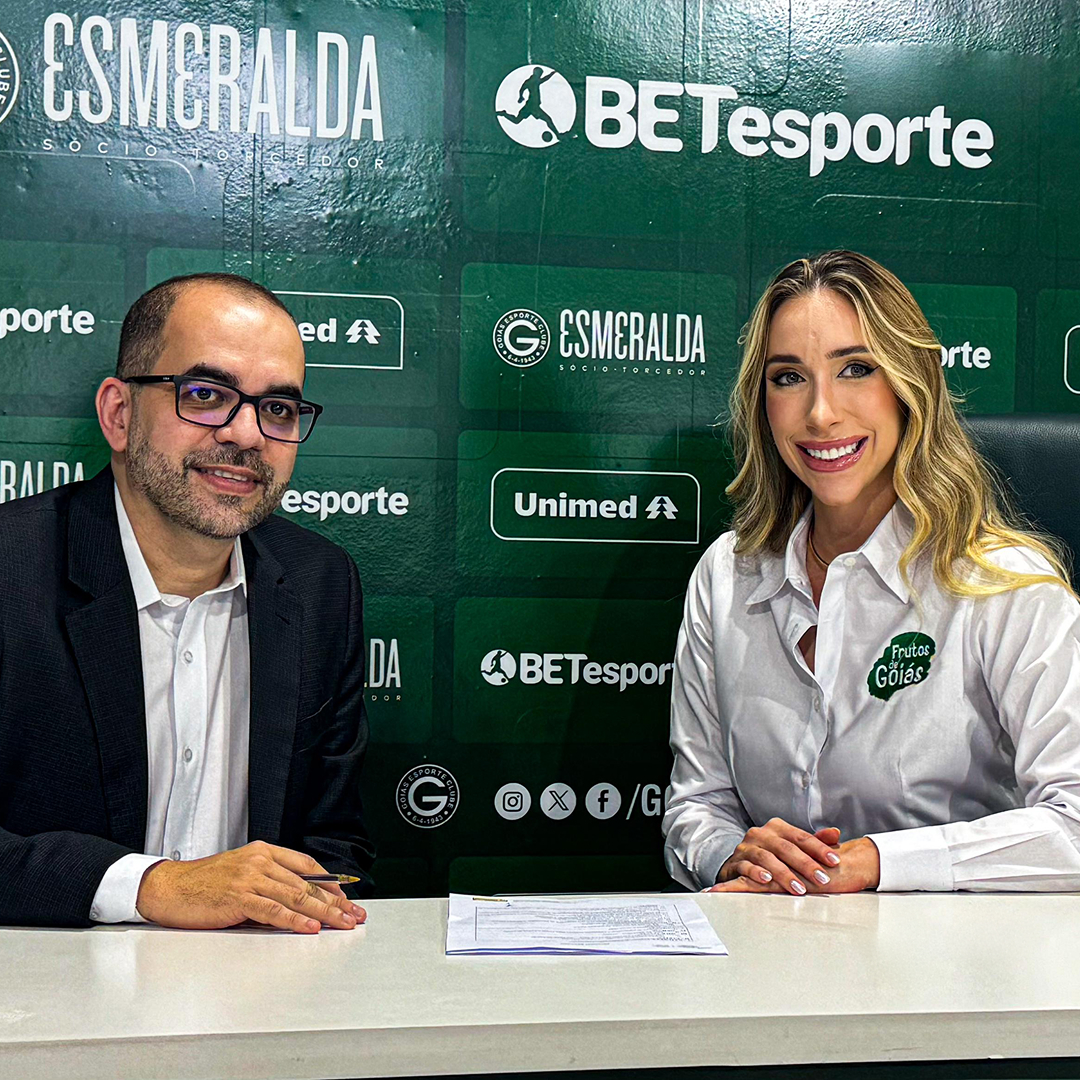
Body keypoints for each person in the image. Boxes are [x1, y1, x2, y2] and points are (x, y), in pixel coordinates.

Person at [663, 250, 1080, 895]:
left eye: (856, 369)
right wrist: (735, 857)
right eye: (788, 377)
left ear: (910, 385)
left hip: (966, 955)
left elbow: (1073, 824)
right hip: (770, 947)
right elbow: (697, 805)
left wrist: (874, 863)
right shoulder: (726, 575)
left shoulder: (1008, 587)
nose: (820, 413)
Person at [0, 273, 375, 930]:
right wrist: (151, 886)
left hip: (259, 982)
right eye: (205, 395)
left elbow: (335, 844)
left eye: (278, 409)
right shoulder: (11, 570)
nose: (248, 434)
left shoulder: (321, 583)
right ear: (120, 414)